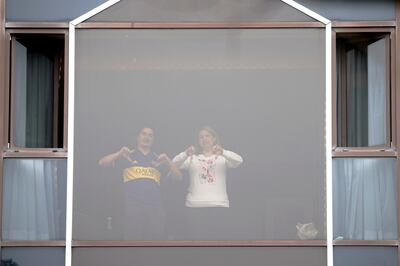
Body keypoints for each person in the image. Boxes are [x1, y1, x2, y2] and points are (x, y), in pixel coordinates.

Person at [98, 127, 181, 240]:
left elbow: (178, 178)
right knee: (132, 246)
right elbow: (102, 163)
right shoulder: (127, 156)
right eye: (144, 134)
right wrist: (119, 153)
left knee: (155, 247)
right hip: (133, 209)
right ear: (137, 137)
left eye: (150, 135)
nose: (146, 137)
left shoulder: (158, 159)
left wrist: (168, 161)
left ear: (153, 140)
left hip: (155, 210)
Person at [172, 126, 243, 238]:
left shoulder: (222, 158)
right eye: (201, 137)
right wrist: (185, 153)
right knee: (198, 246)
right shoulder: (192, 158)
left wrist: (223, 152)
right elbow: (173, 164)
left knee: (218, 246)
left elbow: (239, 160)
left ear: (214, 139)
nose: (204, 139)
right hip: (194, 207)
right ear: (198, 141)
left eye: (207, 136)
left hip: (219, 205)